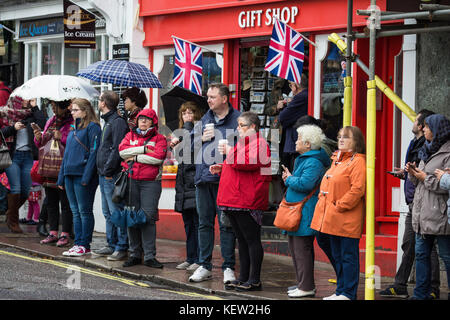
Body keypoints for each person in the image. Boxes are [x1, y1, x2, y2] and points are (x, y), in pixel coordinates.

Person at [380, 109, 441, 299]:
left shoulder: (429, 147)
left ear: (423, 126)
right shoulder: (416, 143)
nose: (413, 123)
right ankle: (400, 285)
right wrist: (406, 174)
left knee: (427, 247)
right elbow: (416, 172)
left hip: (423, 203)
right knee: (410, 244)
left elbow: (429, 175)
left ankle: (432, 288)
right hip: (413, 202)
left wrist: (413, 176)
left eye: (416, 121)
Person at [212, 111, 271, 291]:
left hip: (247, 200)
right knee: (242, 240)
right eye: (238, 125)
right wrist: (222, 167)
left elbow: (249, 163)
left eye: (241, 125)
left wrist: (229, 152)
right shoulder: (242, 143)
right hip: (235, 198)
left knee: (251, 240)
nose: (238, 128)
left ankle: (254, 279)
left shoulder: (261, 143)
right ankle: (244, 277)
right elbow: (239, 165)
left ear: (253, 127)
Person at [189, 83, 240, 284]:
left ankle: (228, 267)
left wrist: (231, 149)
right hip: (204, 179)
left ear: (224, 98)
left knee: (226, 225)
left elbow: (250, 147)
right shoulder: (206, 118)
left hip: (226, 180)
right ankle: (204, 266)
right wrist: (201, 137)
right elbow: (189, 145)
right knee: (204, 223)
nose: (208, 100)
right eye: (207, 96)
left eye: (212, 97)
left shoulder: (238, 120)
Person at [311, 126, 366, 300]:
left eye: (346, 137)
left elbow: (357, 189)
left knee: (348, 256)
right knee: (336, 254)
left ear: (356, 141)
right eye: (339, 136)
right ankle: (341, 290)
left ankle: (348, 293)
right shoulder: (337, 159)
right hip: (331, 216)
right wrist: (323, 199)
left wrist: (340, 205)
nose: (341, 139)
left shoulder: (358, 161)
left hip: (346, 216)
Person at [281, 124, 331, 298]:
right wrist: (291, 178)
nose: (296, 141)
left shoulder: (313, 161)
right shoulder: (305, 159)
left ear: (308, 144)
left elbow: (305, 184)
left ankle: (307, 286)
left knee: (302, 251)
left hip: (304, 211)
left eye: (299, 139)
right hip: (297, 211)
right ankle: (302, 284)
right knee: (296, 250)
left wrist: (288, 179)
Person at [406, 113, 450, 300]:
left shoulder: (448, 153)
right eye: (423, 126)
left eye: (427, 126)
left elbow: (446, 185)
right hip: (422, 213)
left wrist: (426, 178)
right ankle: (419, 295)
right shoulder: (426, 149)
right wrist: (413, 174)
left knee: (447, 258)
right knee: (421, 255)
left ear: (438, 129)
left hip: (440, 215)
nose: (424, 129)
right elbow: (421, 183)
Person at [118, 108, 167, 269]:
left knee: (148, 219)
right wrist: (144, 149)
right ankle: (135, 254)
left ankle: (150, 256)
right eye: (141, 119)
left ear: (153, 121)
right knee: (132, 217)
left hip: (150, 183)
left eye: (147, 119)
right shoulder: (129, 135)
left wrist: (136, 157)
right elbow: (122, 152)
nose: (143, 121)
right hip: (131, 181)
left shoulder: (160, 138)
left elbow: (157, 158)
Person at [57, 98, 101, 257]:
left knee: (84, 211)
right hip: (69, 175)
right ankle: (78, 244)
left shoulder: (93, 128)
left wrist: (87, 177)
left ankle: (84, 244)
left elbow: (94, 153)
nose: (72, 112)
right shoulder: (73, 129)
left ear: (85, 110)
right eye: (72, 110)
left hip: (83, 176)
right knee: (75, 211)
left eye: (75, 110)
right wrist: (61, 177)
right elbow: (66, 155)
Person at [94, 91, 130, 261]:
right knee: (108, 212)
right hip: (104, 174)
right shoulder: (108, 121)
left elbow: (117, 149)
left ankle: (121, 247)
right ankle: (111, 244)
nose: (98, 102)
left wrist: (108, 170)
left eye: (100, 99)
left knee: (116, 212)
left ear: (104, 103)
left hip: (111, 175)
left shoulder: (117, 122)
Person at [3, 97, 46, 233]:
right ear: (17, 100)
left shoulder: (31, 115)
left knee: (26, 189)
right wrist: (13, 128)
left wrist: (35, 107)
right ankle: (14, 222)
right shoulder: (5, 114)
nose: (27, 101)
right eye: (25, 99)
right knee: (15, 188)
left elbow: (43, 124)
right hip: (13, 156)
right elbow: (2, 133)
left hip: (27, 156)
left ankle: (10, 214)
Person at [34, 100, 74, 247]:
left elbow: (74, 141)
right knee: (51, 202)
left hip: (63, 167)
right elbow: (43, 143)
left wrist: (61, 137)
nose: (54, 110)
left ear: (63, 107)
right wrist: (38, 137)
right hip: (49, 167)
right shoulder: (51, 121)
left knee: (65, 203)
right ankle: (53, 232)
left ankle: (65, 234)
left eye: (55, 107)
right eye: (52, 107)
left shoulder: (72, 121)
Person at [171, 101, 202, 271]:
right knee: (188, 224)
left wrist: (188, 128)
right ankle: (190, 258)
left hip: (194, 183)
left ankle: (199, 259)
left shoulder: (199, 131)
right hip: (183, 185)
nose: (187, 116)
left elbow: (192, 155)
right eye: (184, 114)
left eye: (191, 113)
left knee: (198, 224)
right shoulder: (183, 134)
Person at [278, 74, 308, 172]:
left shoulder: (300, 97)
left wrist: (282, 108)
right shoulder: (303, 96)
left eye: (291, 85)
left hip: (295, 142)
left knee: (291, 170)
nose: (291, 89)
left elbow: (282, 118)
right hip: (295, 142)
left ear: (296, 86)